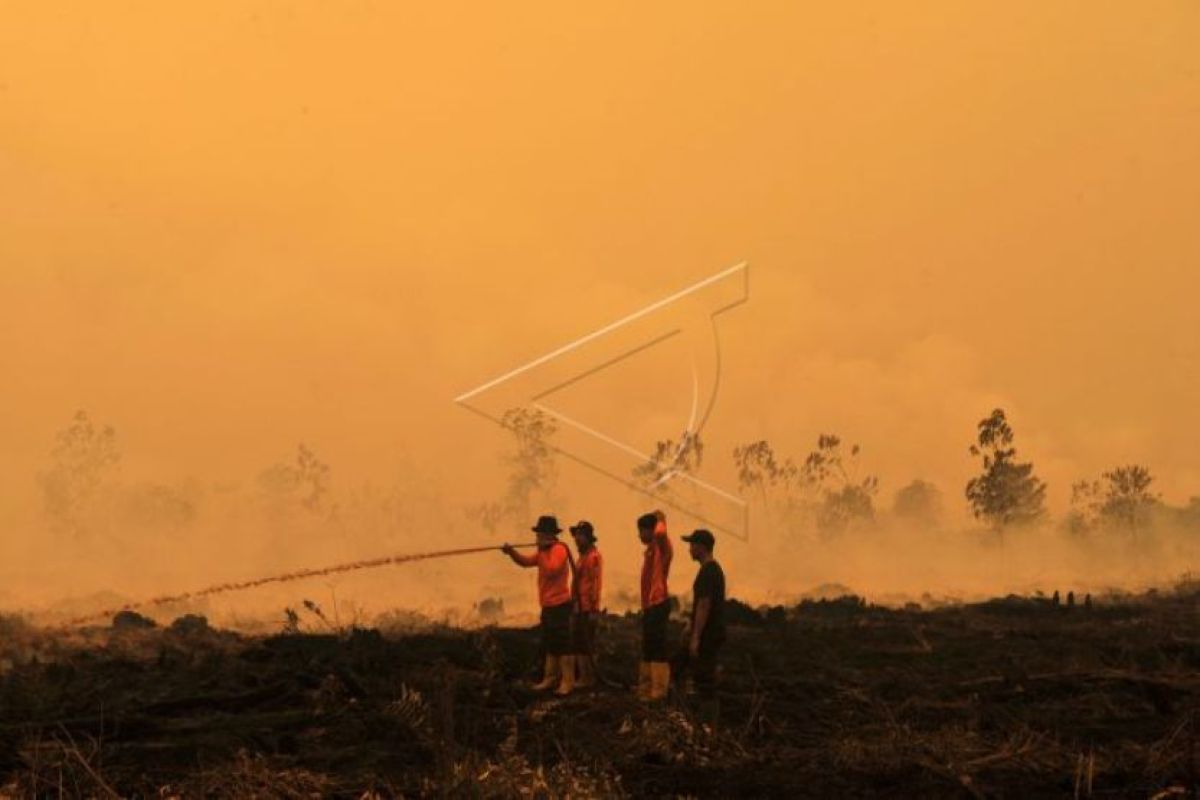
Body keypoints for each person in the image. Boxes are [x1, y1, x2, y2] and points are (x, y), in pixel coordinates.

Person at [502, 515, 574, 694]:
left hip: (560, 605)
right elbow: (525, 562)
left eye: (540, 534)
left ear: (549, 534)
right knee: (550, 643)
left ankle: (567, 682)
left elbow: (552, 569)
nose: (537, 537)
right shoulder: (545, 550)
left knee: (563, 645)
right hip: (548, 605)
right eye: (537, 534)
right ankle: (550, 678)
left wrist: (542, 550)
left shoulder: (559, 549)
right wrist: (511, 552)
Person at [676, 528, 726, 723]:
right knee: (687, 670)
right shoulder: (712, 570)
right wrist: (690, 625)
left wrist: (695, 637)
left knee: (705, 681)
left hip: (708, 634)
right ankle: (691, 716)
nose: (689, 549)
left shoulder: (709, 571)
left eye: (691, 545)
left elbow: (705, 604)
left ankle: (707, 725)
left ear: (701, 547)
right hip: (708, 632)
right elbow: (701, 604)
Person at [637, 510, 673, 700]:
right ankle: (645, 690)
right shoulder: (650, 551)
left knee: (657, 648)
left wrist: (661, 518)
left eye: (642, 530)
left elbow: (660, 533)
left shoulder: (662, 547)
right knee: (648, 647)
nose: (639, 535)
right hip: (650, 607)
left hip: (659, 604)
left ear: (651, 530)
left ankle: (659, 692)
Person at [568, 520, 603, 689]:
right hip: (579, 607)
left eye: (580, 535)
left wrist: (594, 609)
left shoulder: (593, 557)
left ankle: (587, 678)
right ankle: (584, 677)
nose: (576, 539)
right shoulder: (582, 557)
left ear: (589, 538)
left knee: (585, 643)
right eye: (576, 535)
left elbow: (595, 584)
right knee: (580, 643)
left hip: (586, 607)